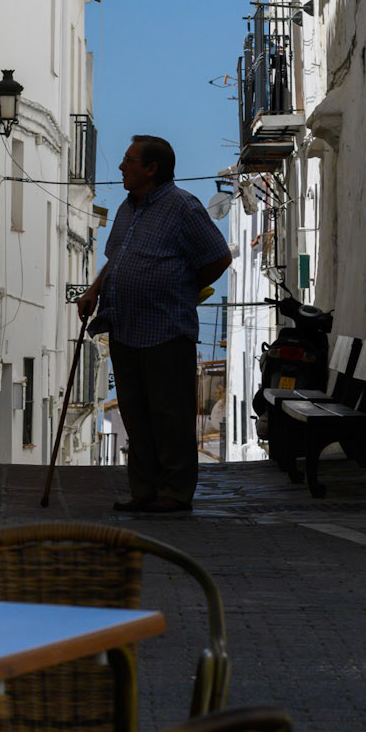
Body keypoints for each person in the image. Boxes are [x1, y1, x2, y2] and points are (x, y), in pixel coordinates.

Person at [76, 135, 231, 513]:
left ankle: (175, 492)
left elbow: (218, 256)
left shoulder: (182, 207)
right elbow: (117, 258)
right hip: (126, 328)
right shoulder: (128, 208)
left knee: (169, 414)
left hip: (166, 330)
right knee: (136, 413)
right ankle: (143, 490)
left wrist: (183, 286)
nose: (120, 167)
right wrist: (93, 290)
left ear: (151, 169)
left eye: (128, 160)